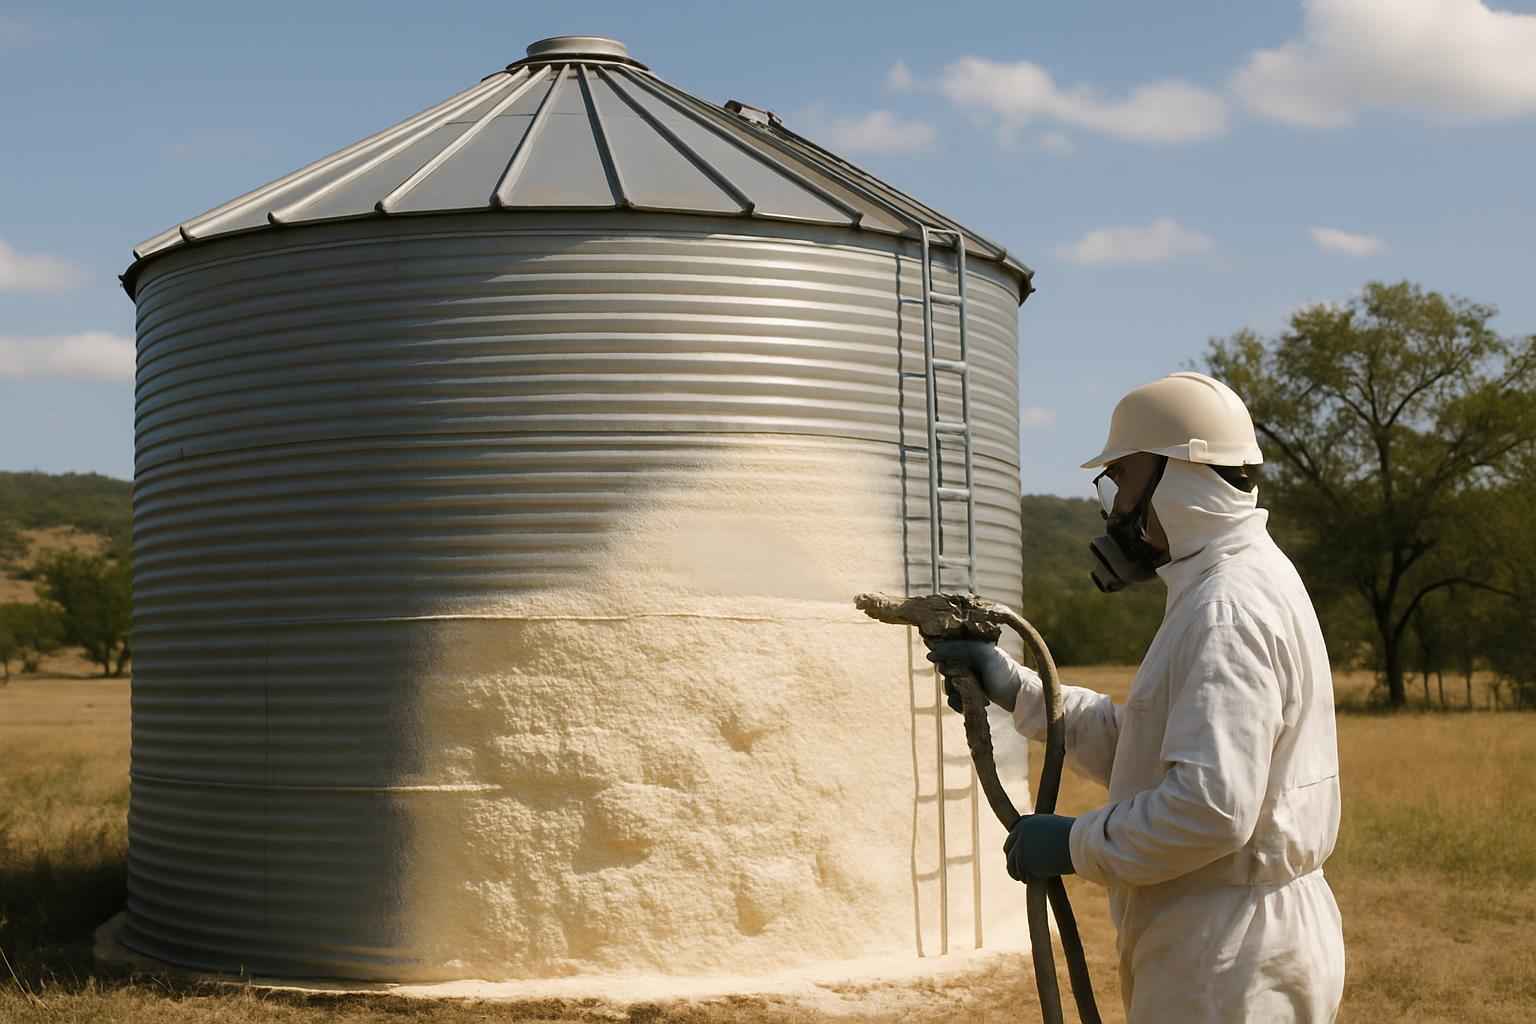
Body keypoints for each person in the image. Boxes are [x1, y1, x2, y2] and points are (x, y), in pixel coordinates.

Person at [929, 372, 1345, 1023]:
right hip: (1234, 927)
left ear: (1176, 477)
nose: (1116, 506)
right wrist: (1019, 690)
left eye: (1122, 480)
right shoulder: (1229, 583)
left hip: (1226, 950)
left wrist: (1073, 844)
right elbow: (1148, 747)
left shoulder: (1226, 608)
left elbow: (1210, 809)